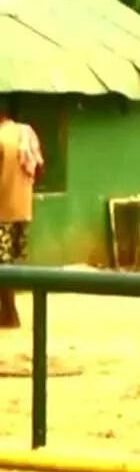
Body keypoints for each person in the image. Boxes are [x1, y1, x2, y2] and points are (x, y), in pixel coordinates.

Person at [0, 106, 42, 329]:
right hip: (23, 209)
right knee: (15, 262)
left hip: (2, 211)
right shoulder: (26, 132)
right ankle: (9, 312)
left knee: (2, 264)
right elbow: (39, 169)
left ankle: (9, 314)